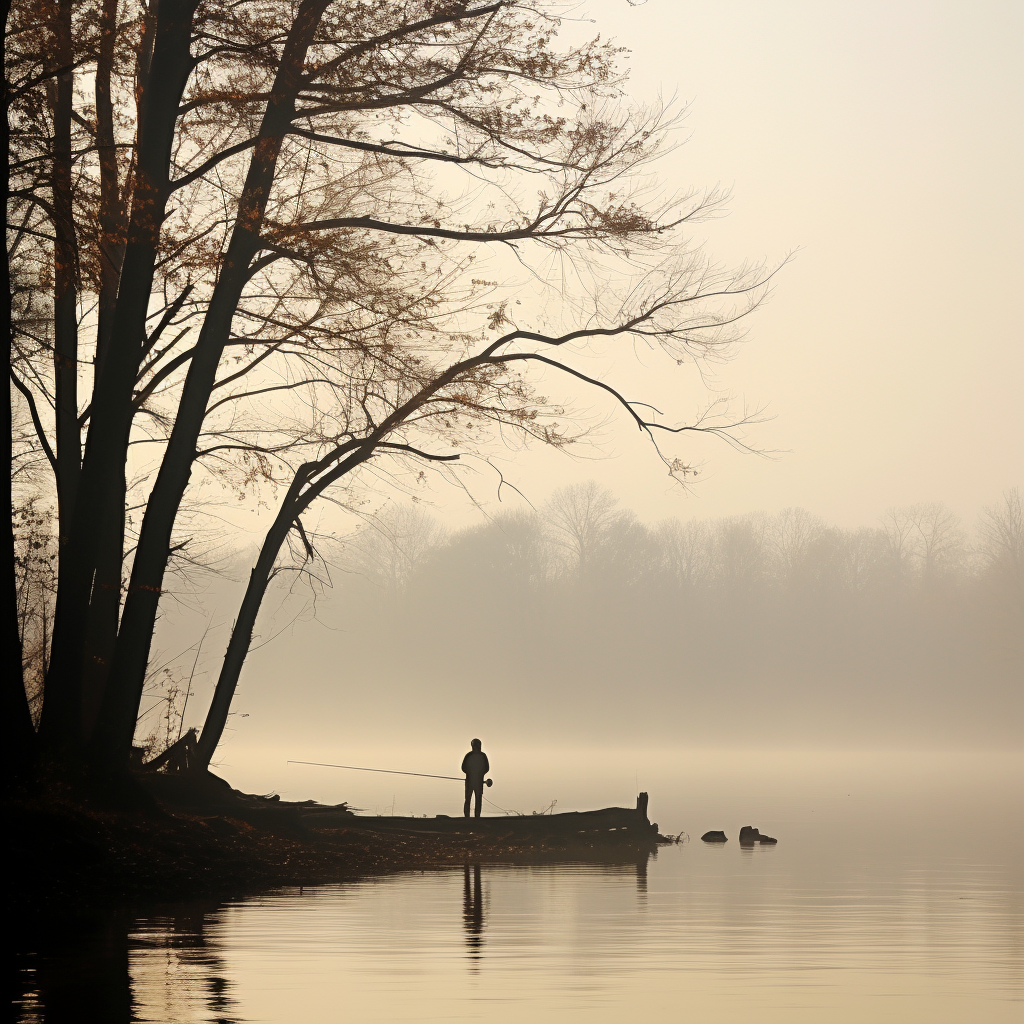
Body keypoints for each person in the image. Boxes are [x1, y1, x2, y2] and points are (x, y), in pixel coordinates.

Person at [461, 738, 490, 818]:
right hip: (472, 781)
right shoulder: (473, 755)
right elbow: (463, 767)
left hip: (475, 781)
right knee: (469, 799)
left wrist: (476, 774)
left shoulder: (480, 756)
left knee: (477, 799)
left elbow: (486, 768)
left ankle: (476, 817)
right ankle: (469, 817)